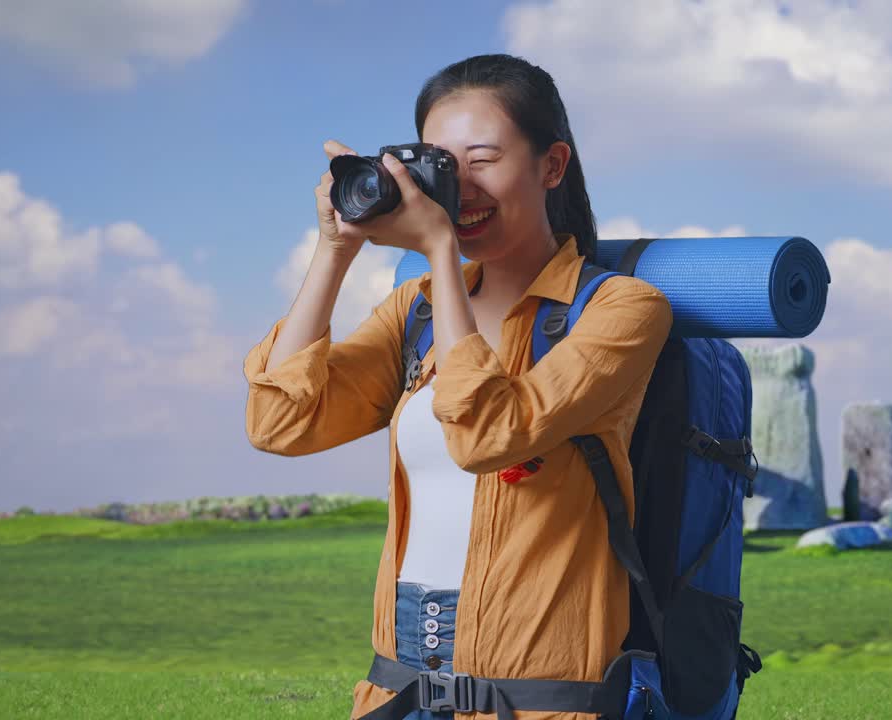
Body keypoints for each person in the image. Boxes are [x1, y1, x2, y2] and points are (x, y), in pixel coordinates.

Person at [243, 53, 672, 719]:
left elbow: (487, 436)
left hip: (540, 696)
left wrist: (440, 250)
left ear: (551, 165)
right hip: (398, 686)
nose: (460, 187)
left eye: (483, 159)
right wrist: (335, 248)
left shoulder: (621, 310)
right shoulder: (412, 312)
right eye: (439, 163)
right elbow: (279, 424)